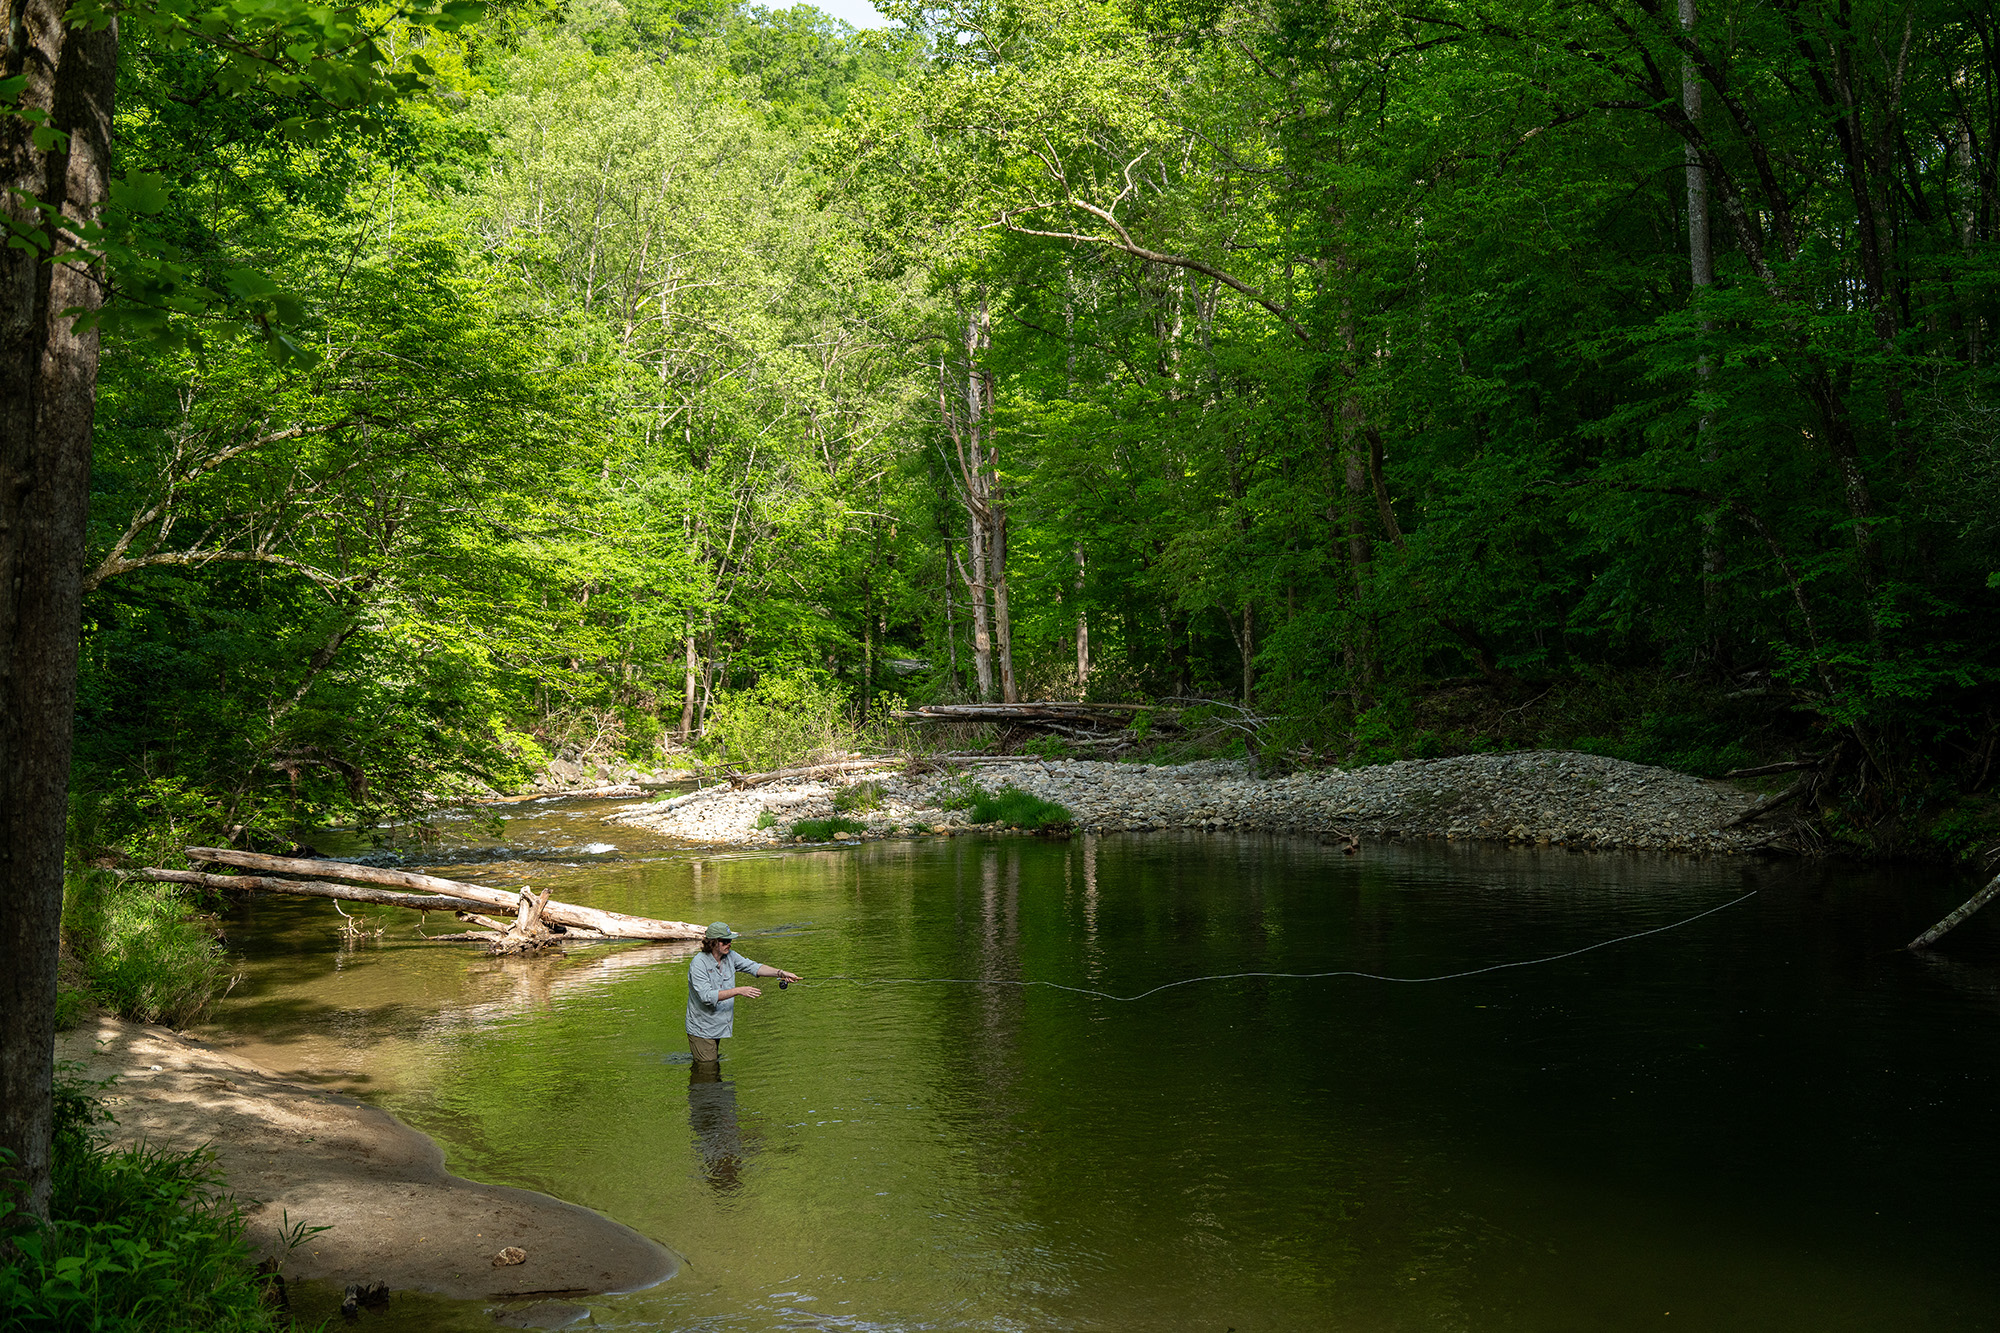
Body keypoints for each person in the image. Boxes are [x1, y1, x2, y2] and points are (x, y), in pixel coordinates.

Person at [685, 921, 800, 1066]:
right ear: (712, 943)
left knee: (711, 1067)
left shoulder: (730, 956)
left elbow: (754, 967)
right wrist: (739, 990)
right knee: (708, 1069)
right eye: (725, 941)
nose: (729, 944)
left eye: (730, 940)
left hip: (717, 1025)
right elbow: (706, 996)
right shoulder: (698, 964)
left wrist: (781, 972)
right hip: (701, 1028)